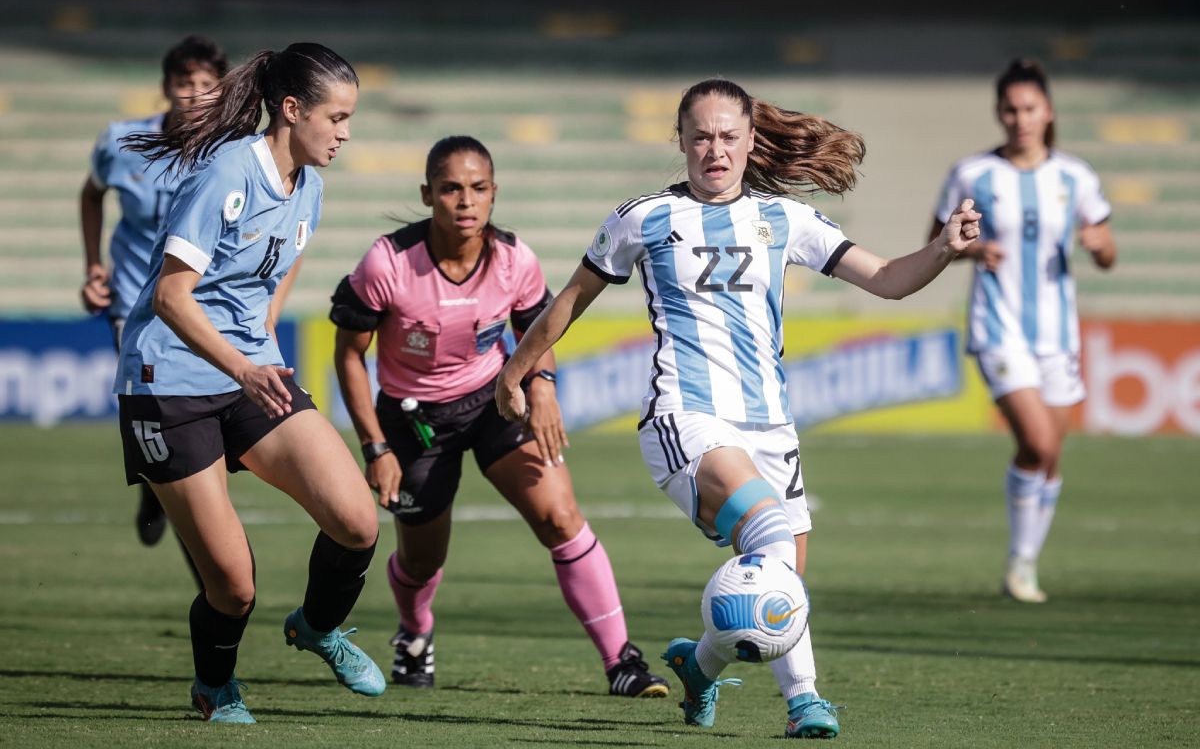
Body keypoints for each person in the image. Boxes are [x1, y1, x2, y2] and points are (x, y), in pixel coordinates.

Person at [496, 78, 981, 739]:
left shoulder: (785, 220)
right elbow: (569, 302)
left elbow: (891, 279)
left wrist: (944, 250)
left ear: (751, 141)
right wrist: (516, 373)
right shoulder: (645, 218)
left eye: (728, 137)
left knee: (781, 589)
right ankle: (806, 702)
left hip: (771, 429)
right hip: (685, 417)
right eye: (701, 137)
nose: (714, 151)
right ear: (682, 142)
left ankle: (698, 670)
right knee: (773, 536)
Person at [330, 135, 670, 699]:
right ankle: (415, 634)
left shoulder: (516, 259)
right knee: (421, 559)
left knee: (560, 516)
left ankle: (622, 662)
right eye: (450, 189)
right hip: (415, 422)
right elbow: (348, 354)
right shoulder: (387, 263)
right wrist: (375, 447)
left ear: (494, 194)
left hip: (494, 402)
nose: (465, 201)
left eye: (478, 188)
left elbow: (537, 334)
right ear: (428, 194)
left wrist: (543, 388)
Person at [116, 43, 385, 723]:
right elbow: (174, 298)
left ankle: (319, 628)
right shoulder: (229, 172)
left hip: (249, 374)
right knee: (233, 588)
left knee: (356, 520)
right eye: (337, 117)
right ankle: (215, 687)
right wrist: (241, 363)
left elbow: (280, 265)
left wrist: (257, 340)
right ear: (292, 110)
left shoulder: (312, 188)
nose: (345, 133)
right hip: (168, 382)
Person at [928, 59, 1117, 604]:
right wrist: (974, 248)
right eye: (1009, 109)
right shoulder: (973, 174)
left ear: (1048, 112)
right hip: (998, 328)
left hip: (1058, 335)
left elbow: (1106, 250)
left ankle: (1024, 562)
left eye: (1029, 108)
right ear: (998, 114)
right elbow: (937, 241)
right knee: (1035, 442)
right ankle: (1020, 562)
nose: (1019, 118)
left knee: (1051, 454)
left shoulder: (1075, 177)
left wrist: (1101, 247)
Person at [80, 35, 227, 563]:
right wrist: (93, 264)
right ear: (165, 87)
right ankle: (205, 565)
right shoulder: (122, 141)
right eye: (184, 83)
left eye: (207, 85)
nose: (194, 94)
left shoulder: (230, 153)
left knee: (198, 424)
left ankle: (157, 481)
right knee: (167, 413)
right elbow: (92, 192)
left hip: (200, 306)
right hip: (136, 308)